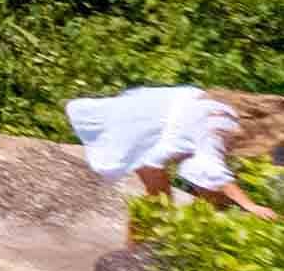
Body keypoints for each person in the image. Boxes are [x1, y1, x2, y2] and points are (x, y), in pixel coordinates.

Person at [64, 84, 281, 217]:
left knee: (207, 198)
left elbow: (196, 166)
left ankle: (137, 256)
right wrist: (249, 205)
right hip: (142, 132)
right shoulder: (220, 120)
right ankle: (132, 260)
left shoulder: (221, 107)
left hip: (145, 116)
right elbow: (210, 166)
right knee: (159, 204)